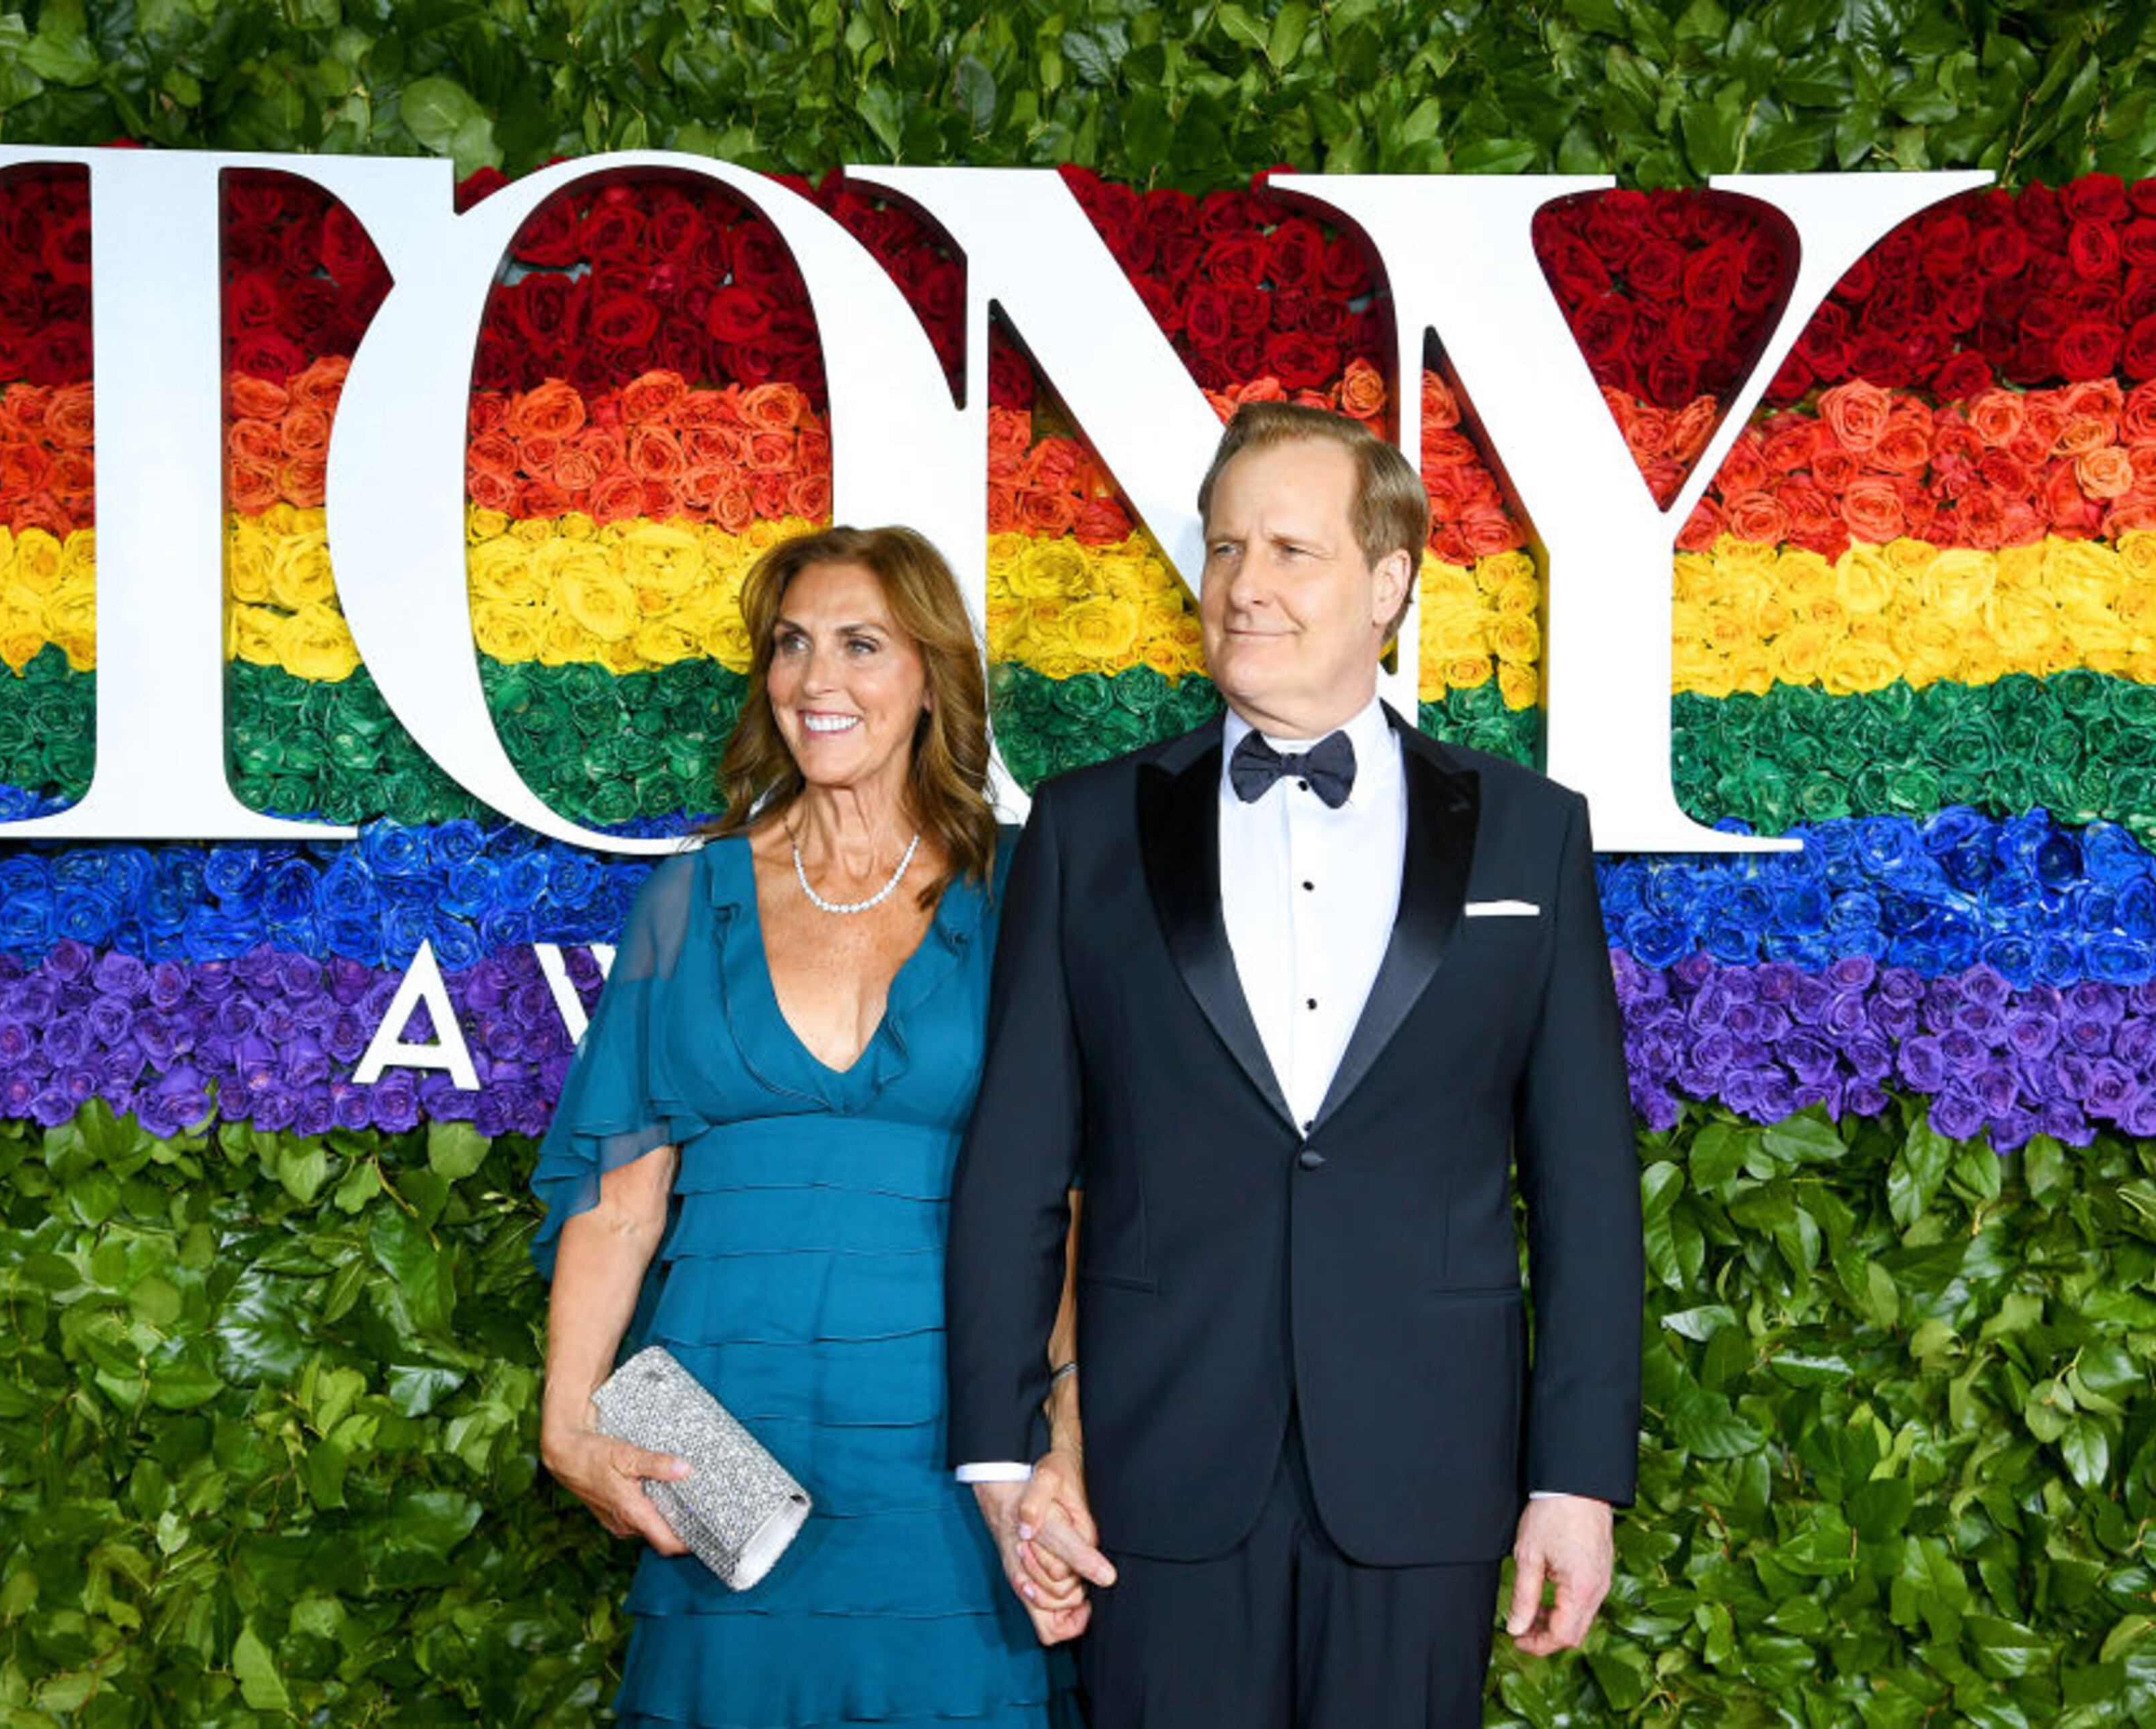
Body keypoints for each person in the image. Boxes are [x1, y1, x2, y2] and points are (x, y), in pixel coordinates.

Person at [944, 404, 1644, 1728]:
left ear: (1389, 583)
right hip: (1154, 1470)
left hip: (1427, 1468)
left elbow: (1587, 1186)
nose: (1243, 586)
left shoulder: (1528, 836)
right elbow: (1018, 1161)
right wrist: (1003, 1449)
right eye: (1223, 550)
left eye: (1288, 549)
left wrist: (1577, 1478)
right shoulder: (1089, 830)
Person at [535, 525, 1087, 1729]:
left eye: (859, 644)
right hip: (728, 1447)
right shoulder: (688, 898)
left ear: (931, 675)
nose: (814, 680)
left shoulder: (1024, 897)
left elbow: (1071, 1203)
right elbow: (620, 1200)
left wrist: (1070, 1439)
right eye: (790, 646)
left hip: (951, 1447)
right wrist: (568, 1420)